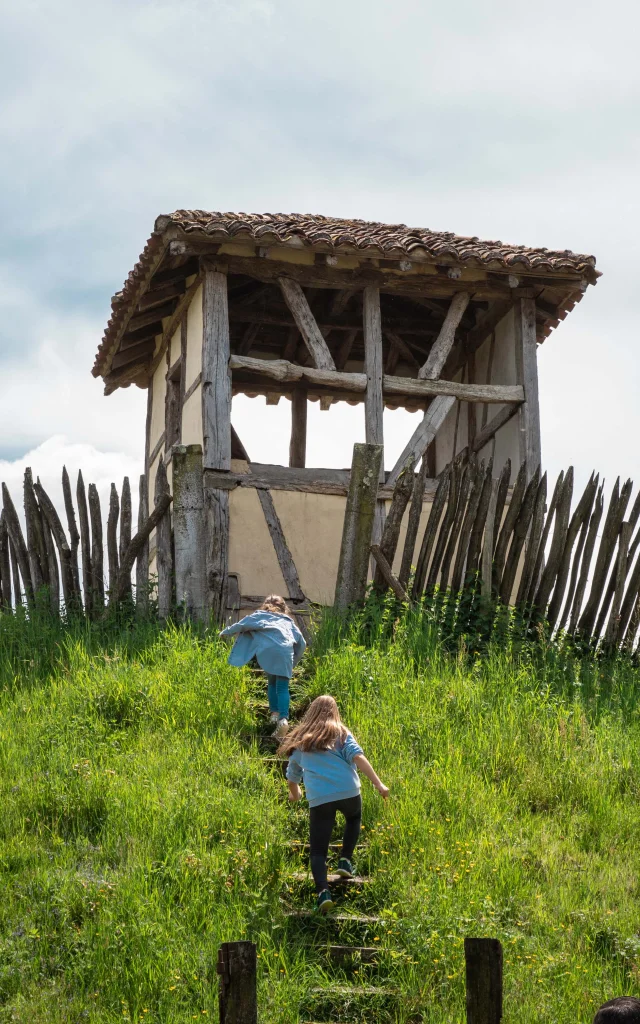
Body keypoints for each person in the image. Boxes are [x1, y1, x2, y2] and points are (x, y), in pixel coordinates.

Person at [279, 694, 389, 914]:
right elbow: (358, 757)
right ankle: (345, 860)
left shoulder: (302, 739)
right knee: (353, 818)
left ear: (311, 712)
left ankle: (323, 893)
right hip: (348, 789)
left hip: (320, 798)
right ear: (334, 712)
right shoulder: (341, 732)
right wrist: (378, 783)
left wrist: (295, 794)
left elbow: (292, 775)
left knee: (318, 850)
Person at [219, 594, 306, 737]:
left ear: (265, 605)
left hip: (268, 651)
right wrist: (293, 661)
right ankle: (283, 720)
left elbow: (242, 624)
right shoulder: (288, 621)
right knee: (283, 687)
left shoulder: (259, 615)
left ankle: (274, 715)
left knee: (272, 683)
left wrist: (225, 632)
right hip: (285, 652)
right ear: (283, 608)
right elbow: (301, 643)